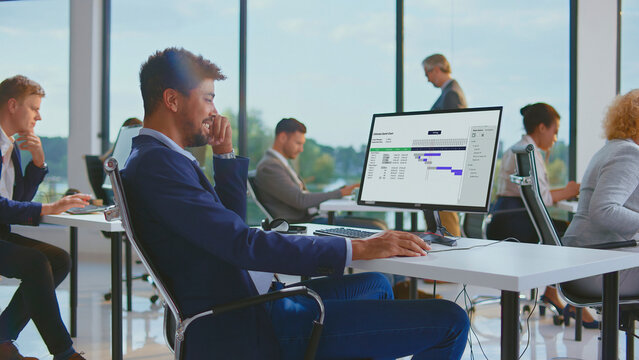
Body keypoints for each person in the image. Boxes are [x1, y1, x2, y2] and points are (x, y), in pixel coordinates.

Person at [121, 47, 469, 359]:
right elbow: (242, 244)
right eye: (209, 98)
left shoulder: (161, 158)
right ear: (172, 100)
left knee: (376, 285)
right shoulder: (159, 165)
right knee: (451, 320)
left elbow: (230, 226)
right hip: (251, 321)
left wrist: (225, 156)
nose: (214, 111)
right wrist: (358, 248)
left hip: (254, 300)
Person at [0, 75, 90, 360]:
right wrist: (48, 209)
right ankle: (65, 353)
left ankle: (1, 336)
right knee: (36, 262)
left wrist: (38, 163)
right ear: (13, 105)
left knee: (59, 259)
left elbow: (19, 201)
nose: (39, 116)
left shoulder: (11, 148)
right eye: (34, 108)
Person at [486, 102, 597, 327]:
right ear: (542, 128)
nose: (555, 139)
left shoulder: (517, 147)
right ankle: (574, 301)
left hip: (504, 217)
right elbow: (542, 197)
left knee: (562, 229)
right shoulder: (530, 152)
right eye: (555, 132)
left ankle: (552, 293)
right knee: (572, 234)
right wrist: (570, 190)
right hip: (514, 221)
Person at [562, 89, 639, 303]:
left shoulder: (610, 150)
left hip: (583, 260)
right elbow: (603, 210)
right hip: (596, 267)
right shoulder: (629, 153)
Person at [254, 118, 385, 228]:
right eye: (298, 143)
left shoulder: (280, 163)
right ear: (282, 137)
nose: (301, 149)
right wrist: (341, 193)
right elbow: (300, 200)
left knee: (378, 224)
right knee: (377, 227)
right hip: (302, 225)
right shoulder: (269, 166)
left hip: (311, 220)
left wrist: (343, 190)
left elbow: (301, 197)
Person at [422, 53, 467, 237]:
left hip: (443, 169)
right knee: (438, 224)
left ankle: (453, 261)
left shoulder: (452, 94)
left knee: (446, 226)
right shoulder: (449, 93)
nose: (427, 79)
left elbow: (453, 135)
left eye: (427, 73)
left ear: (437, 69)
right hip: (440, 167)